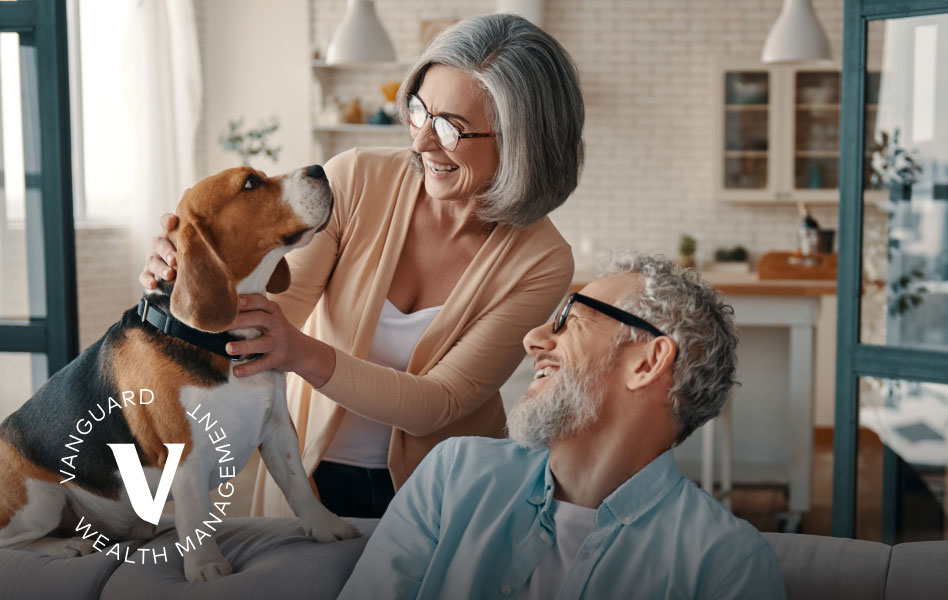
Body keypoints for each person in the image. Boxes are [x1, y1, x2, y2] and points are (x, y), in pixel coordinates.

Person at [139, 14, 584, 519]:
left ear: (521, 141)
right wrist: (191, 266)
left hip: (446, 496)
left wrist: (302, 353)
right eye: (420, 111)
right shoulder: (355, 179)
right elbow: (266, 311)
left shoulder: (543, 260)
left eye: (451, 128)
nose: (420, 143)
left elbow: (439, 403)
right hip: (310, 474)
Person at [337, 252, 786, 600]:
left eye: (570, 319)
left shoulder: (727, 565)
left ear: (648, 363)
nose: (533, 340)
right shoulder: (453, 477)